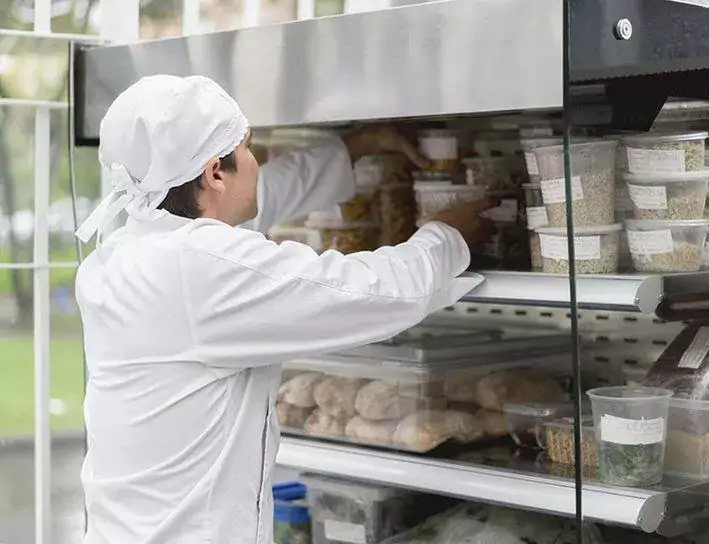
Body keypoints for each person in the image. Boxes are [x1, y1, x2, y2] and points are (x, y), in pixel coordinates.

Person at [74, 75, 494, 544]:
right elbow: (365, 293)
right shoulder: (201, 270)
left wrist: (355, 147)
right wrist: (447, 236)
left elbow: (256, 199)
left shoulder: (124, 253)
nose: (257, 162)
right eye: (250, 149)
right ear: (214, 172)